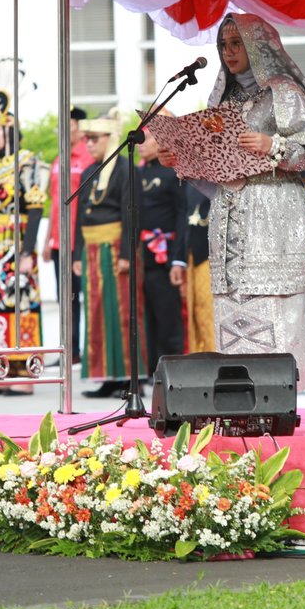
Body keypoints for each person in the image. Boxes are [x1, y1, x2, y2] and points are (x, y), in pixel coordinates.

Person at [157, 13, 305, 391]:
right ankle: (241, 396)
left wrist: (274, 145)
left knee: (274, 304)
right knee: (234, 306)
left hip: (275, 213)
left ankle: (283, 394)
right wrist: (182, 161)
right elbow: (218, 169)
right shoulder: (222, 98)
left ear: (258, 45)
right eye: (224, 44)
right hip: (230, 214)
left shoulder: (284, 93)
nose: (229, 52)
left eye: (237, 43)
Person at [72, 109, 147, 398]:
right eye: (87, 139)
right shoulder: (89, 171)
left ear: (109, 138)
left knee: (123, 311)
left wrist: (128, 253)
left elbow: (132, 212)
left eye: (94, 138)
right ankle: (107, 377)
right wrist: (78, 253)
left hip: (117, 248)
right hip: (91, 250)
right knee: (96, 313)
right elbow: (80, 215)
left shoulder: (126, 169)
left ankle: (132, 379)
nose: (89, 143)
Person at [0, 92, 49, 395]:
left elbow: (37, 206)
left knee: (20, 305)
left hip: (17, 245)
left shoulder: (25, 162)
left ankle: (22, 372)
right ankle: (1, 369)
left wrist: (28, 251)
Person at [42, 106, 93, 364]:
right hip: (58, 240)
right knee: (65, 299)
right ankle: (68, 350)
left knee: (82, 296)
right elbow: (53, 202)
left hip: (79, 240)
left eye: (70, 124)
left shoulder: (88, 157)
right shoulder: (57, 160)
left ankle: (85, 351)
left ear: (79, 127)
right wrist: (46, 241)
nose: (66, 129)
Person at [137, 126, 187, 380]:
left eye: (147, 139)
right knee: (147, 317)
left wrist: (178, 256)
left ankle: (173, 372)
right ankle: (150, 372)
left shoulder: (173, 172)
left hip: (165, 255)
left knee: (167, 315)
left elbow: (182, 214)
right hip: (141, 256)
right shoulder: (137, 172)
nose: (141, 145)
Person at [181, 185, 215, 353]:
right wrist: (179, 259)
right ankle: (200, 356)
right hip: (193, 253)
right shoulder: (189, 181)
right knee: (196, 308)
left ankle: (216, 354)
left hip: (215, 255)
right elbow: (183, 215)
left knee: (211, 309)